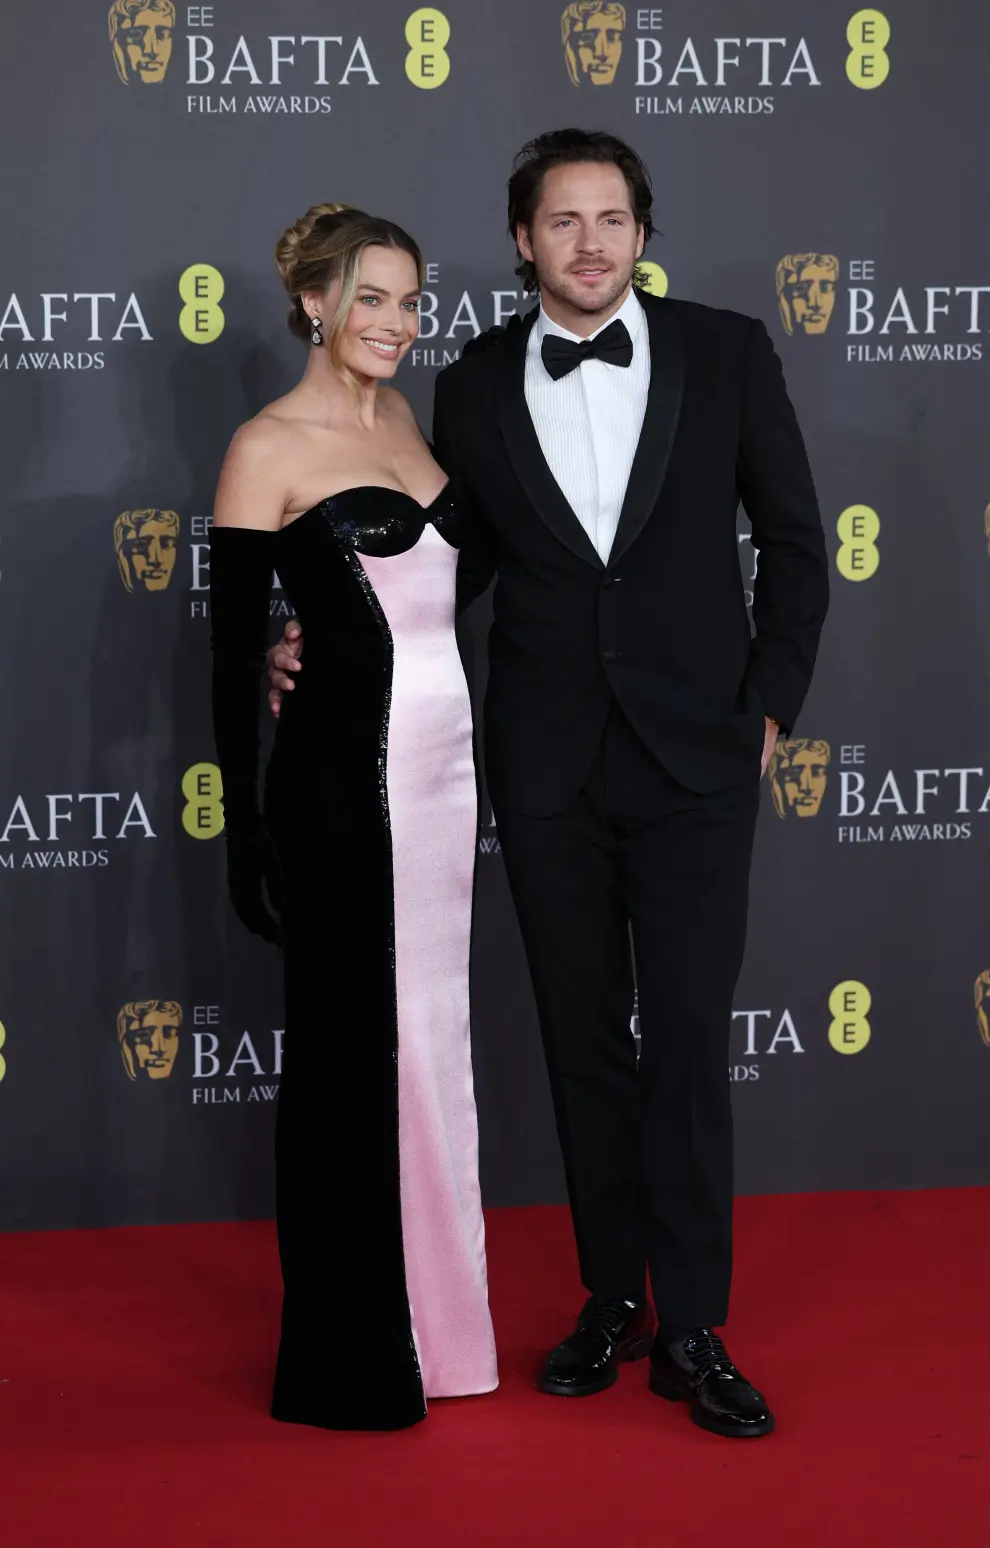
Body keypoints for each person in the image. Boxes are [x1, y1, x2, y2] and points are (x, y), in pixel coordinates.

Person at [268, 130, 830, 1439]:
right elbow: (445, 564)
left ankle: (693, 1324)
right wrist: (322, 633)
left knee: (686, 1041)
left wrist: (770, 707)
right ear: (521, 241)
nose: (589, 242)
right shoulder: (462, 386)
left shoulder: (726, 352)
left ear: (640, 231)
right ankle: (608, 1299)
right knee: (581, 1044)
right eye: (561, 221)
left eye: (611, 217)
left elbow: (797, 545)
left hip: (698, 760)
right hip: (545, 763)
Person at [209, 202, 497, 1432]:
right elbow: (230, 668)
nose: (395, 322)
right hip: (336, 795)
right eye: (371, 297)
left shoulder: (409, 422)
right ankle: (348, 1352)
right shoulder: (266, 446)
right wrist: (244, 831)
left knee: (431, 1047)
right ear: (316, 302)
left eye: (411, 301)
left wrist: (307, 630)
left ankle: (439, 1332)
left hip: (443, 792)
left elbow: (425, 591)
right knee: (345, 1067)